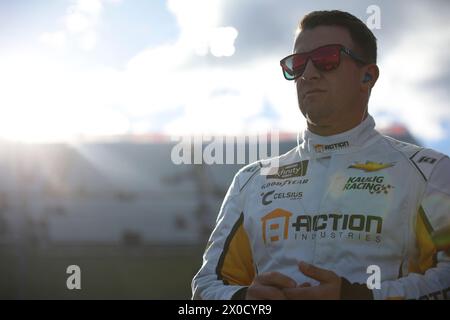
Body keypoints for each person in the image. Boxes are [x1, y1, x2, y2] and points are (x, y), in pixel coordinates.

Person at [191, 10, 450, 300]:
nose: (309, 74)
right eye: (298, 64)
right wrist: (245, 300)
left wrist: (357, 297)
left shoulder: (430, 173)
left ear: (368, 75)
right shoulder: (251, 180)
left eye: (327, 59)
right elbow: (205, 290)